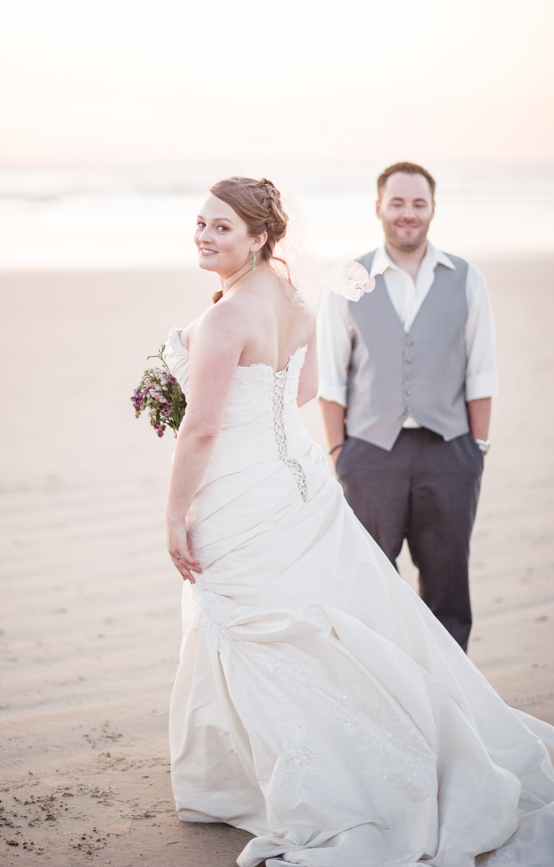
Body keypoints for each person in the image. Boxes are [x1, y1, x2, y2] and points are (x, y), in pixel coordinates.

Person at [161, 175, 554, 867]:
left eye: (221, 226)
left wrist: (173, 512)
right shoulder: (290, 297)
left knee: (255, 623)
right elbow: (305, 388)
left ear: (259, 237)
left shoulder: (225, 317)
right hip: (297, 483)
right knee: (310, 615)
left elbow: (200, 431)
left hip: (242, 491)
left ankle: (290, 775)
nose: (203, 234)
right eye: (200, 222)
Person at [318, 161, 496, 652]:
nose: (408, 214)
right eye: (397, 203)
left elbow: (482, 371)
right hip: (371, 454)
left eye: (418, 204)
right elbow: (331, 380)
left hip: (450, 451)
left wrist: (476, 450)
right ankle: (390, 695)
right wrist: (339, 452)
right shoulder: (351, 278)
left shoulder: (465, 277)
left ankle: (452, 698)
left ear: (433, 209)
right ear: (379, 207)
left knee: (448, 585)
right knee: (372, 584)